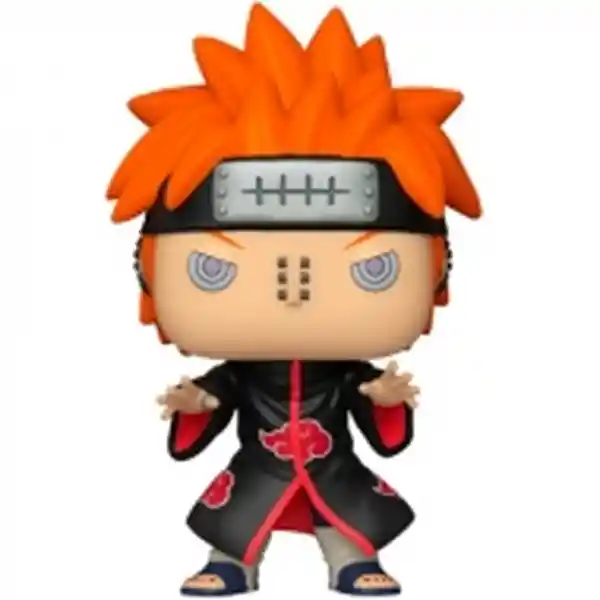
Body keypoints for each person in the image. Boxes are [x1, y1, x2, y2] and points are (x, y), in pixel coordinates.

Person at [107, 3, 481, 596]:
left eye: (373, 269)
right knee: (240, 519)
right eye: (214, 269)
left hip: (332, 463)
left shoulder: (346, 369)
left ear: (438, 269)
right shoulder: (243, 369)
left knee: (345, 511)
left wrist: (384, 398)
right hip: (259, 462)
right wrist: (197, 401)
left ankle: (349, 560)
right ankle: (233, 563)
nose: (293, 285)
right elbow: (222, 392)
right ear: (147, 272)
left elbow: (376, 412)